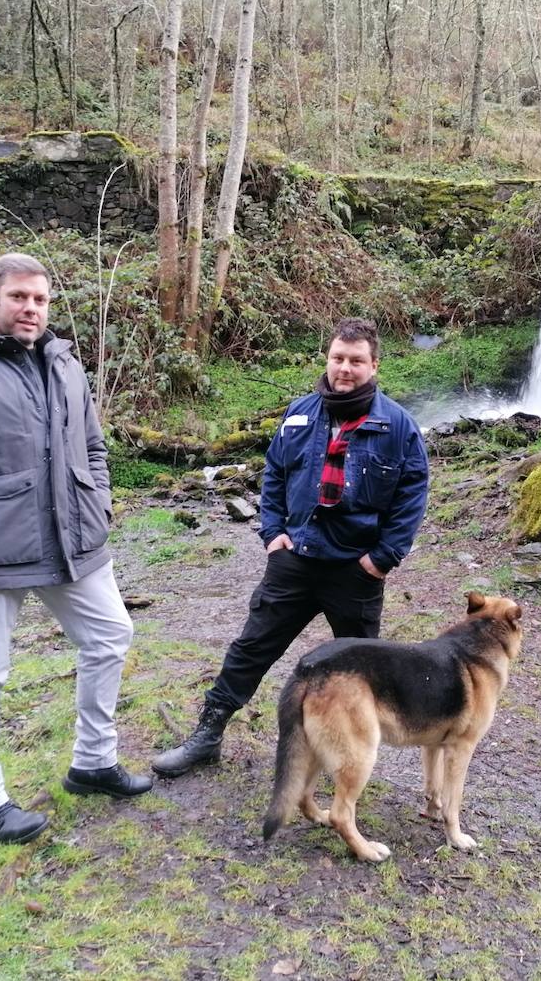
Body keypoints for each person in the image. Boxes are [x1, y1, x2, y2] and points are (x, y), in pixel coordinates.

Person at [0, 252, 151, 845]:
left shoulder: (65, 363)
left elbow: (93, 445)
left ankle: (93, 762)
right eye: (19, 297)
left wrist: (100, 502)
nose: (31, 309)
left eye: (40, 300)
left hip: (74, 537)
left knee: (111, 636)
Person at [152, 317, 429, 777]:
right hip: (295, 559)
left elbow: (412, 496)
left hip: (354, 570)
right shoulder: (300, 413)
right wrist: (272, 532)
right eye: (338, 358)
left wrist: (380, 560)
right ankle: (208, 734)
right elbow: (274, 473)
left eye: (356, 361)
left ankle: (351, 753)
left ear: (374, 365)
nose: (345, 369)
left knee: (360, 667)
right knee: (251, 647)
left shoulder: (398, 426)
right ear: (328, 358)